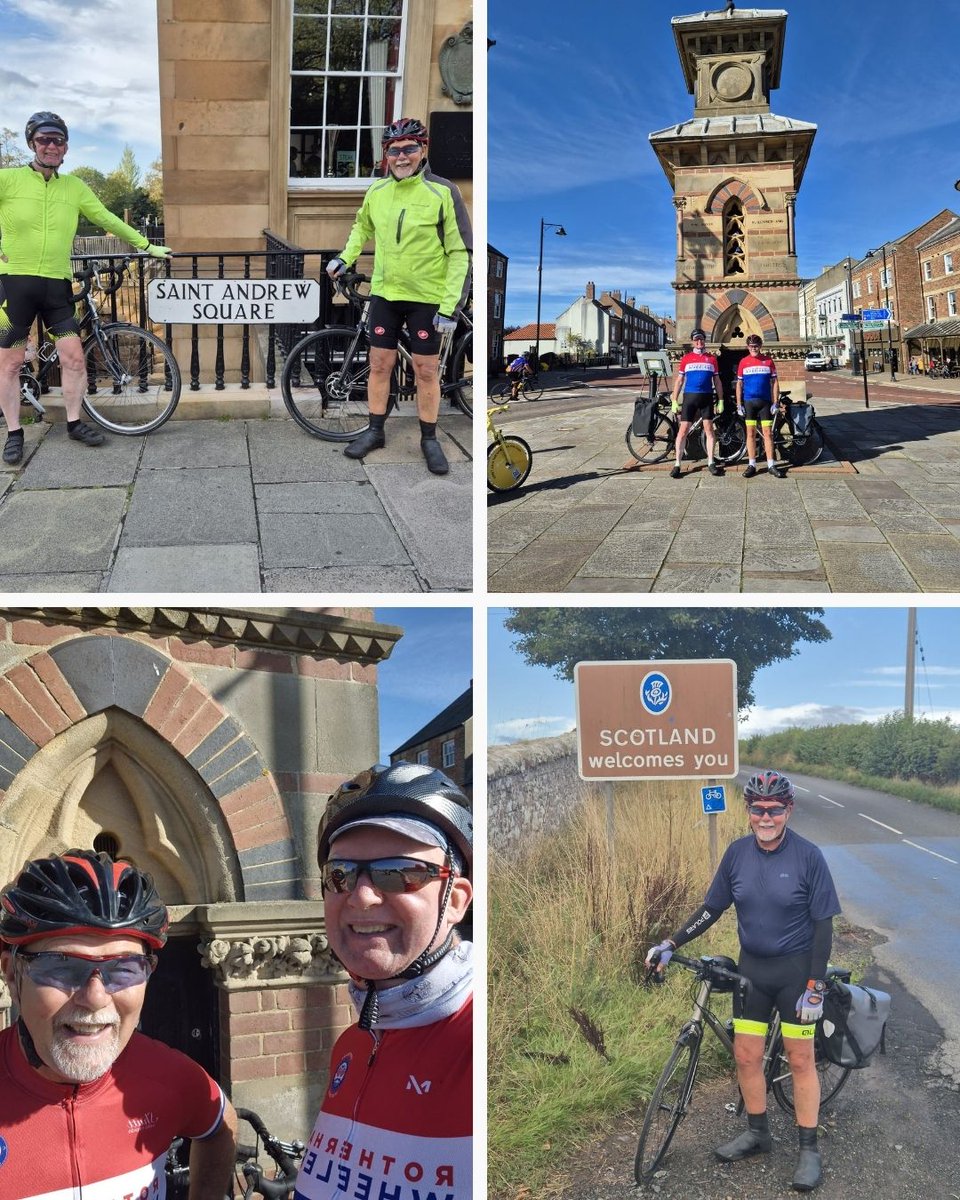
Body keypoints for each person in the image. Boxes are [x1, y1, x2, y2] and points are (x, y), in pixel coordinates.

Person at [0, 848, 237, 1199]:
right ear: (11, 974)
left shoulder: (166, 1073)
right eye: (62, 966)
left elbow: (220, 1125)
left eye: (124, 969)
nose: (95, 997)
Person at [645, 771, 840, 1193]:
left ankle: (809, 1150)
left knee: (801, 1060)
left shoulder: (808, 857)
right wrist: (671, 942)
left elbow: (823, 927)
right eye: (758, 809)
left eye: (774, 809)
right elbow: (711, 908)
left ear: (788, 810)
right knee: (747, 1056)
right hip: (752, 972)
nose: (765, 817)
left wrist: (815, 985)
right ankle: (757, 1132)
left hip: (795, 974)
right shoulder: (736, 854)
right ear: (748, 810)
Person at [296, 761, 473, 1200]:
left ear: (455, 900)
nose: (361, 896)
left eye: (398, 872)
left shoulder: (474, 1042)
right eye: (339, 874)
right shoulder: (353, 1042)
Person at [0, 112, 172, 465]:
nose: (51, 146)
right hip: (13, 286)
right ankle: (14, 432)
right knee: (10, 363)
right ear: (32, 143)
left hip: (57, 286)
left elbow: (107, 218)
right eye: (44, 139)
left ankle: (74, 423)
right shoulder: (8, 179)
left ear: (65, 148)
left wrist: (147, 246)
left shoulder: (74, 187)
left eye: (58, 140)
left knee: (75, 358)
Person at [326, 118, 472, 475]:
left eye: (409, 148)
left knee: (425, 370)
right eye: (394, 151)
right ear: (386, 155)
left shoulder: (444, 192)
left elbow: (460, 252)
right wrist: (345, 257)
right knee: (379, 365)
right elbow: (362, 226)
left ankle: (429, 439)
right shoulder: (377, 191)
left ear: (423, 150)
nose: (401, 157)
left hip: (427, 298)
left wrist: (450, 307)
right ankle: (375, 431)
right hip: (385, 294)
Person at [668, 327, 725, 479]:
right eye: (696, 339)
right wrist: (674, 400)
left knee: (709, 430)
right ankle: (677, 464)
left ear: (704, 340)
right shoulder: (686, 358)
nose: (699, 342)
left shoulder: (712, 359)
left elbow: (717, 381)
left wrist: (721, 400)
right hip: (690, 398)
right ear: (693, 342)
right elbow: (679, 381)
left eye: (701, 339)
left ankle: (711, 462)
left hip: (706, 398)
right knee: (683, 431)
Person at [736, 334, 785, 479]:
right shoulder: (743, 362)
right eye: (751, 346)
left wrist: (775, 402)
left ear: (760, 346)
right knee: (750, 434)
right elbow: (739, 384)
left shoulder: (768, 361)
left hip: (765, 402)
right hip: (749, 402)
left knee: (768, 433)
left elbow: (775, 382)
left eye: (756, 346)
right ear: (747, 347)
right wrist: (739, 404)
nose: (754, 348)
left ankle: (771, 465)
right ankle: (752, 464)